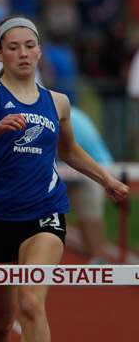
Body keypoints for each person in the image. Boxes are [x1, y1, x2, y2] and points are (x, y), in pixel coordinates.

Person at [0, 15, 128, 341]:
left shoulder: (57, 102)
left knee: (31, 303)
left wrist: (106, 179)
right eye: (14, 47)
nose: (23, 53)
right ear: (0, 54)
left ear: (39, 52)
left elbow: (70, 151)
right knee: (0, 324)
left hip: (44, 213)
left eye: (29, 46)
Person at [68, 106, 114, 264]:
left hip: (85, 173)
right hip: (49, 172)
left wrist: (108, 180)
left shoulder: (74, 121)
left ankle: (97, 258)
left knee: (90, 201)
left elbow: (98, 157)